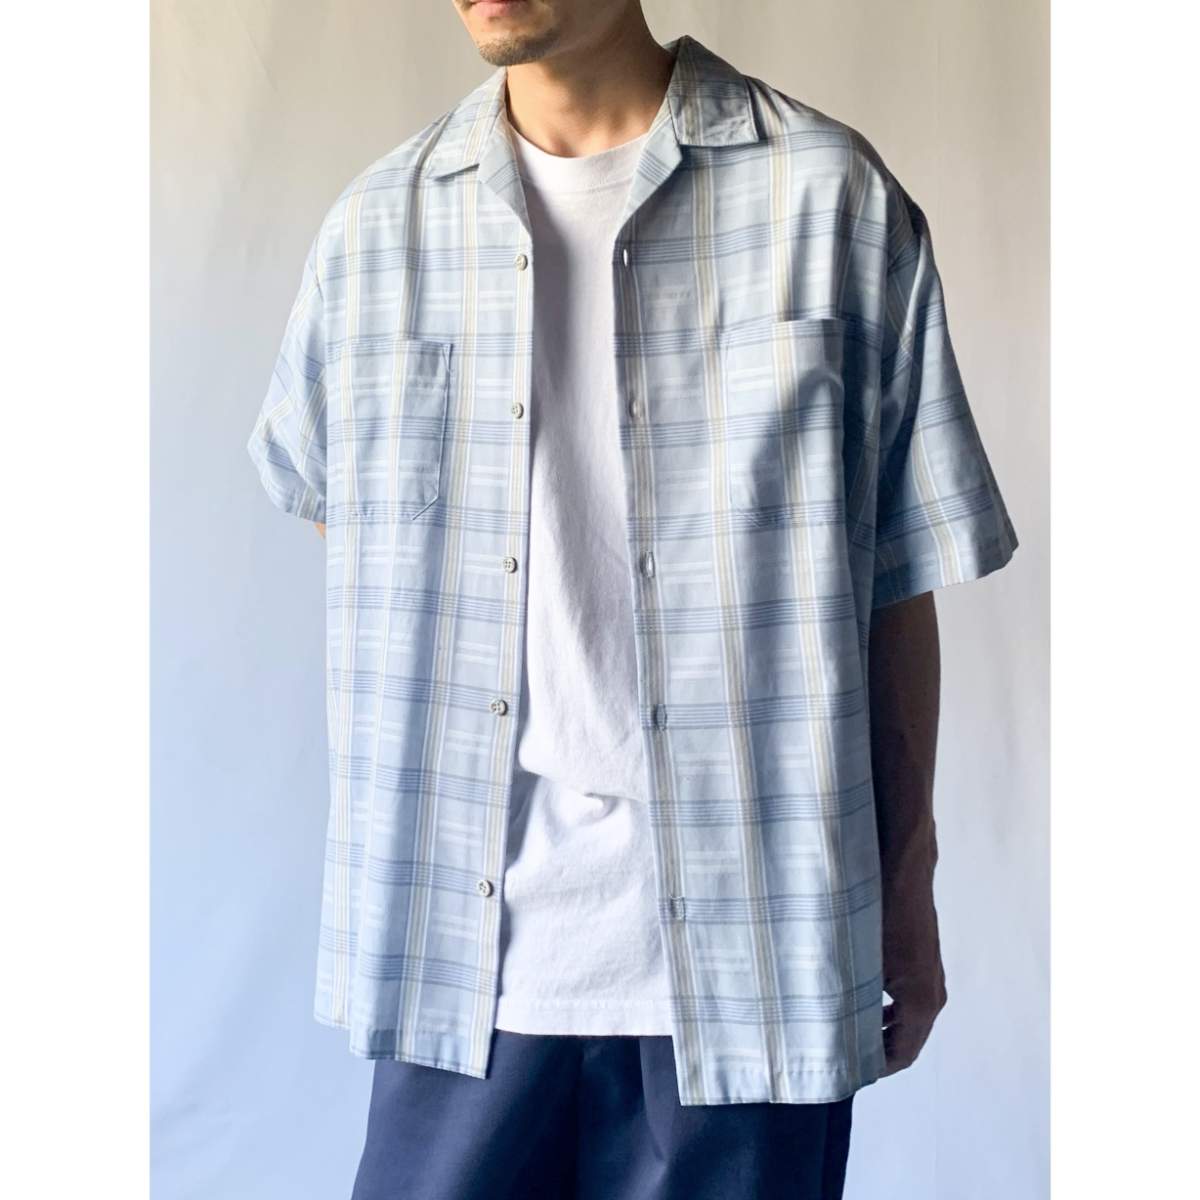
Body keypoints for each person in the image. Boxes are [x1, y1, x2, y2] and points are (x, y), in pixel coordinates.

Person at [245, 2, 1020, 1197]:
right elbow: (337, 511)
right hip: (461, 968)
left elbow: (891, 576)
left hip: (759, 963)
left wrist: (907, 883)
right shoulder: (377, 230)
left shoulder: (830, 203)